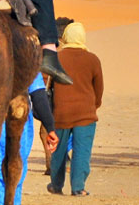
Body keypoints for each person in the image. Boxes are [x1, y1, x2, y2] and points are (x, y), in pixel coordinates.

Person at [47, 19, 101, 197]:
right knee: (82, 151)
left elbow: (48, 85)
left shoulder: (56, 58)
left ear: (66, 37)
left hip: (61, 113)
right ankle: (78, 187)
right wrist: (94, 106)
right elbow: (98, 89)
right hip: (86, 114)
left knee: (59, 151)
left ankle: (56, 185)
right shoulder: (93, 59)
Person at [0, 73, 59, 205]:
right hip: (18, 120)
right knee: (15, 170)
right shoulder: (27, 58)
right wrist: (50, 127)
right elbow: (38, 94)